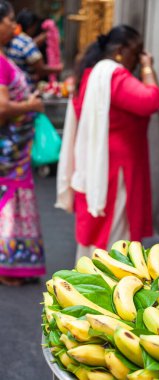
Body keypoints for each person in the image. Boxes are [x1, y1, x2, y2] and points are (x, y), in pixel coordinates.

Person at [56, 25, 159, 261]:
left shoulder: (91, 74)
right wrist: (147, 67)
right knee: (114, 237)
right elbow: (151, 100)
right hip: (115, 169)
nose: (136, 60)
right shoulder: (114, 76)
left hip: (96, 165)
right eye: (136, 53)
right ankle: (110, 290)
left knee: (97, 234)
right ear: (122, 51)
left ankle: (89, 286)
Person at [0, 0, 46, 285]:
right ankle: (8, 265)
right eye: (9, 20)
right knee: (8, 202)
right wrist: (30, 105)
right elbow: (2, 109)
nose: (12, 26)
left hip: (14, 150)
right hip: (8, 152)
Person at [6, 8, 63, 90]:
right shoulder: (26, 42)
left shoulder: (12, 40)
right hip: (25, 88)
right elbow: (41, 69)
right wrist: (59, 68)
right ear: (31, 26)